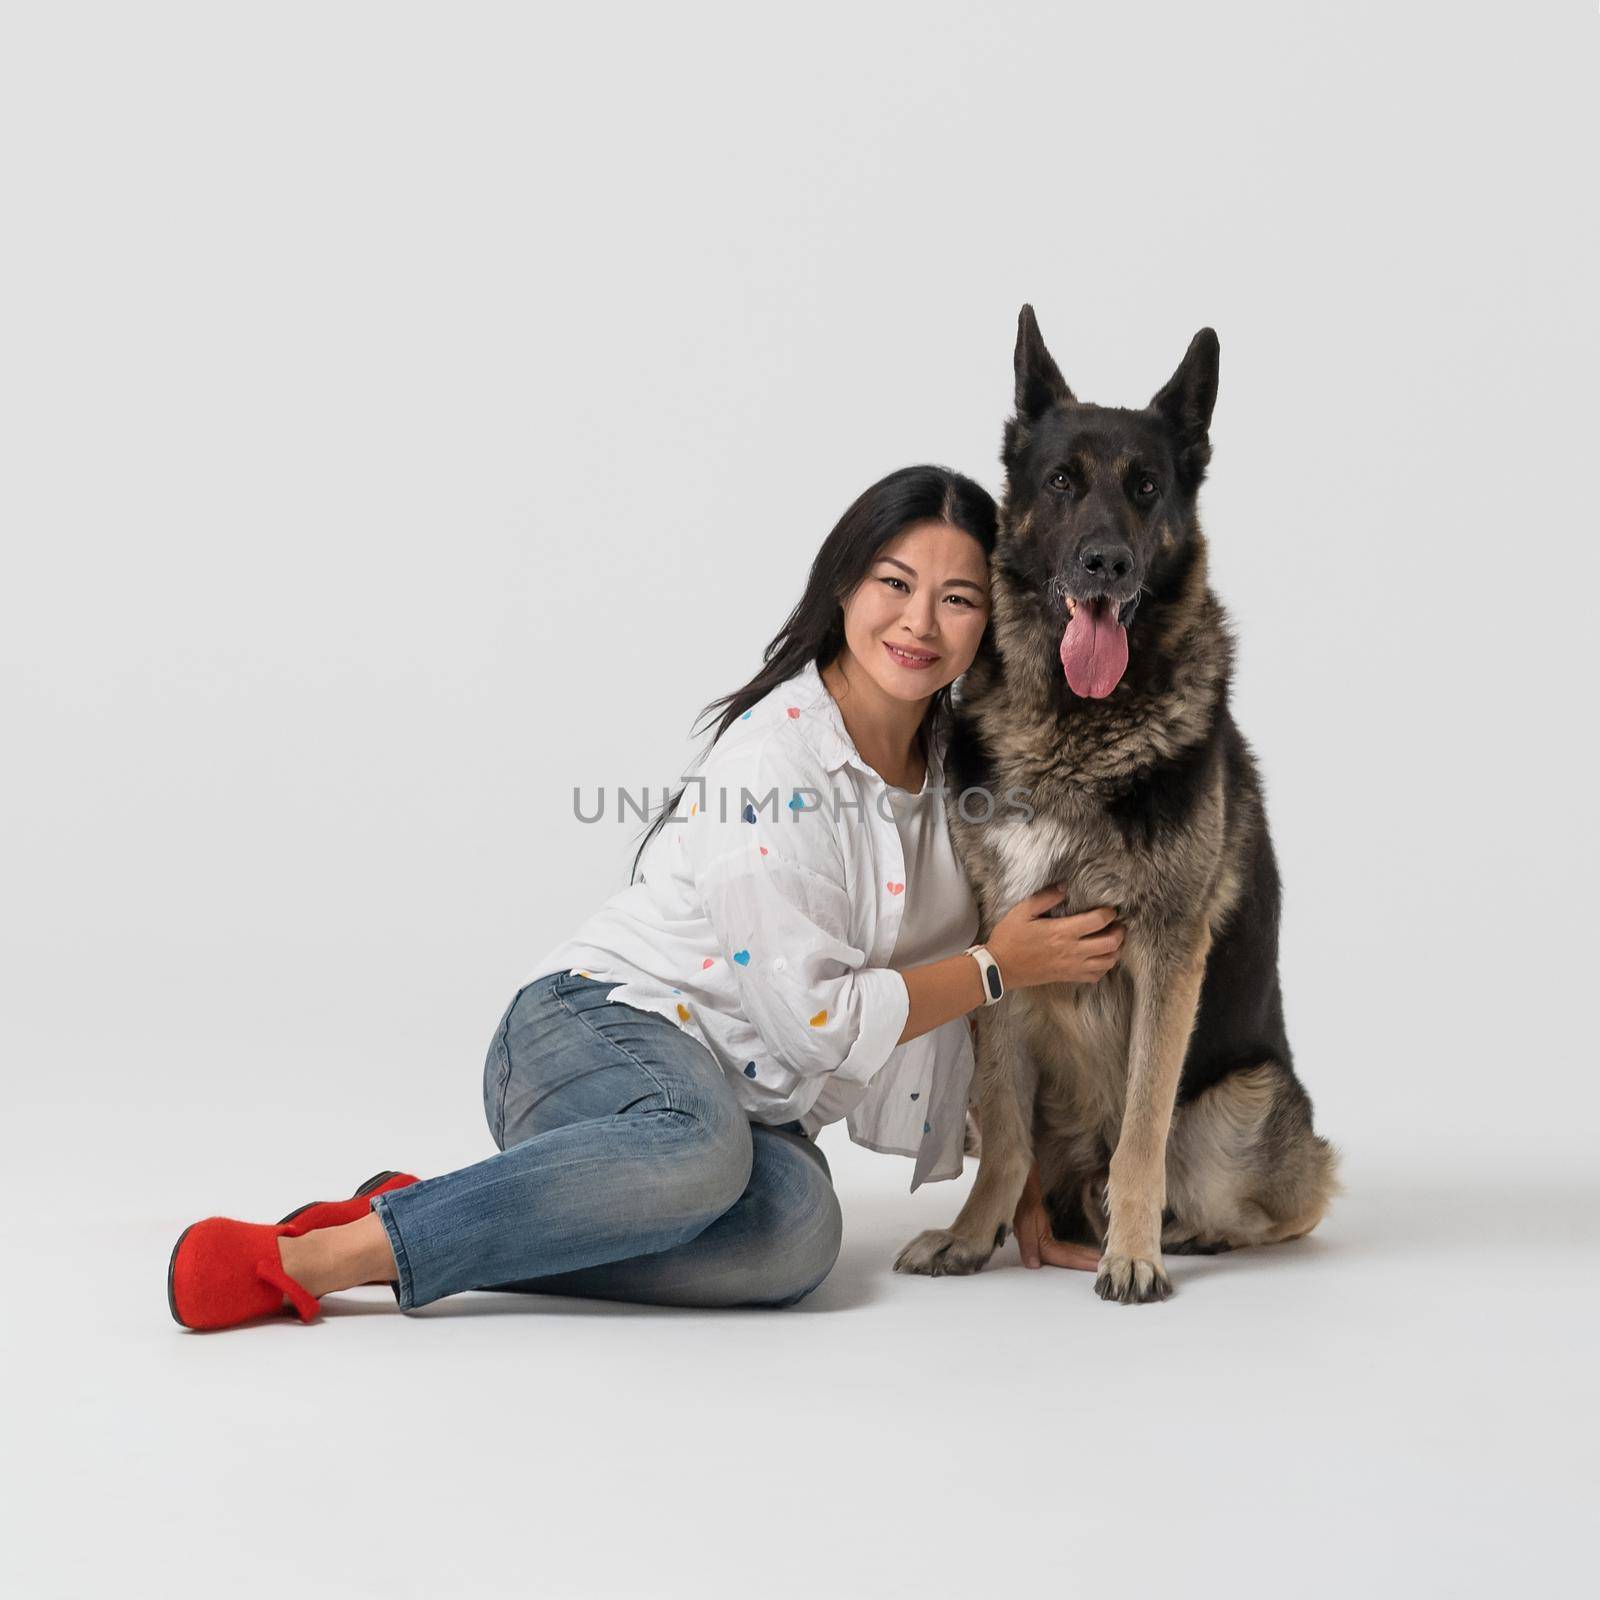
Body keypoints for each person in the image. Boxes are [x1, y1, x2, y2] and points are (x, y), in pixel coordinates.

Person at [167, 464, 1126, 1330]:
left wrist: (1019, 1182)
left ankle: (455, 1216)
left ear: (992, 617)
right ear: (843, 589)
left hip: (739, 1116)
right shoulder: (775, 757)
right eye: (895, 584)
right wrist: (998, 967)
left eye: (957, 598)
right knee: (697, 1149)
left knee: (799, 1238)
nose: (919, 623)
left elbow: (971, 1029)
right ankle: (318, 1256)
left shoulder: (968, 774)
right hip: (585, 1035)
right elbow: (820, 1022)